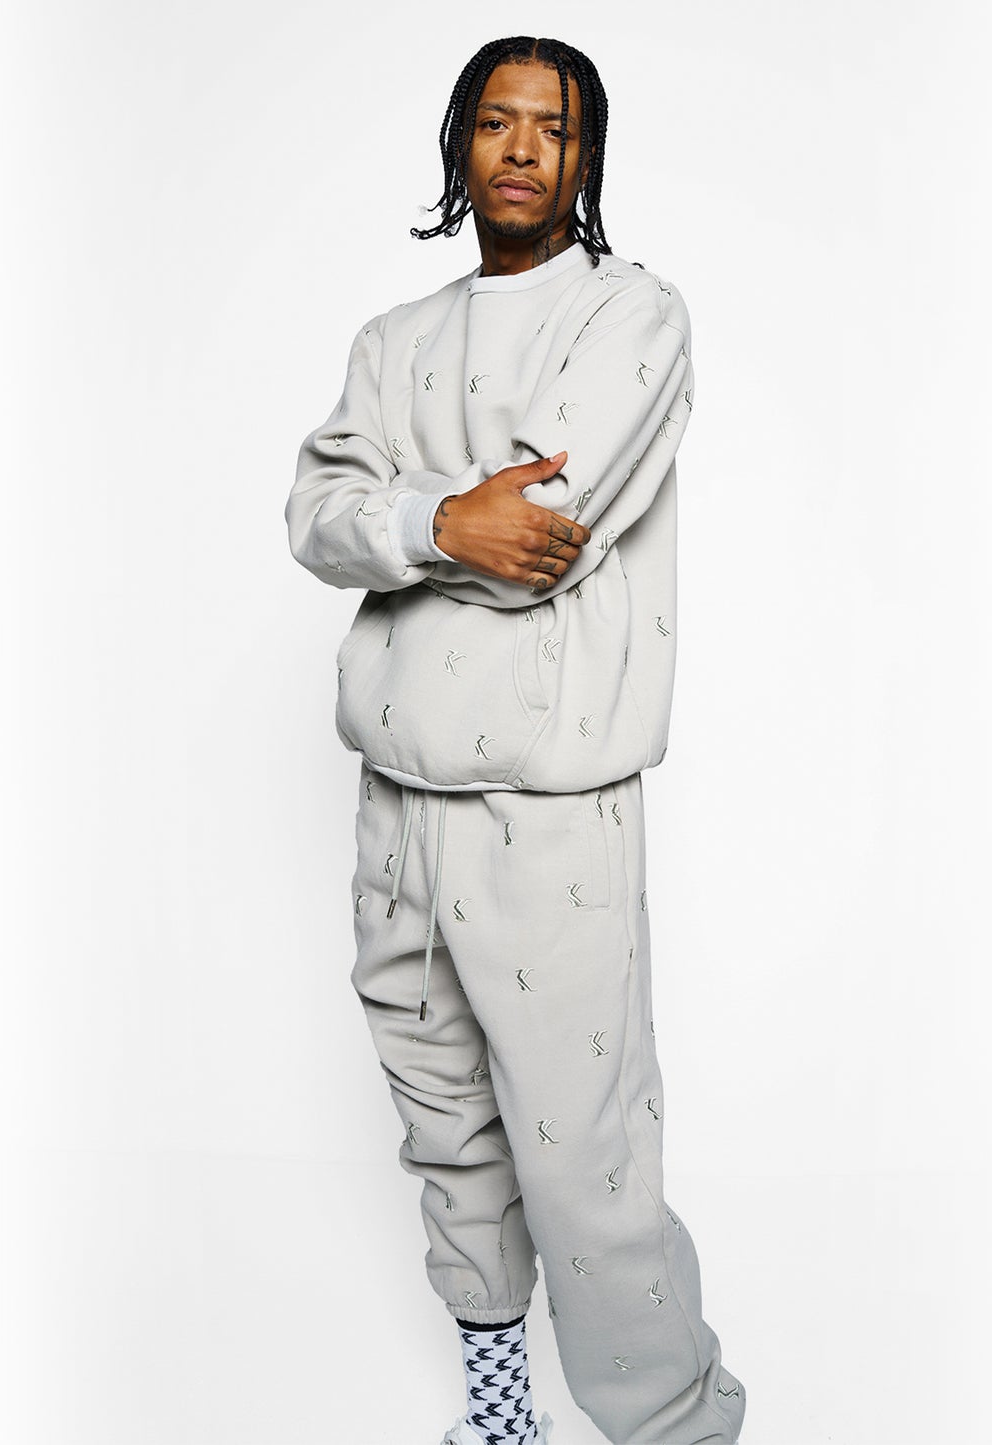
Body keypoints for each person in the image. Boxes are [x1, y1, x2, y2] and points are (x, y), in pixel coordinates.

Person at [285, 34, 747, 1445]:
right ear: (460, 144)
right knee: (446, 1127)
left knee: (584, 1159)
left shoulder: (631, 317)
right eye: (496, 122)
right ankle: (501, 1423)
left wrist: (409, 528)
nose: (524, 148)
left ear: (586, 155)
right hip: (395, 802)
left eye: (554, 126)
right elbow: (315, 519)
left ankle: (674, 1428)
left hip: (548, 808)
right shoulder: (392, 342)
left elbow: (539, 537)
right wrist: (442, 518)